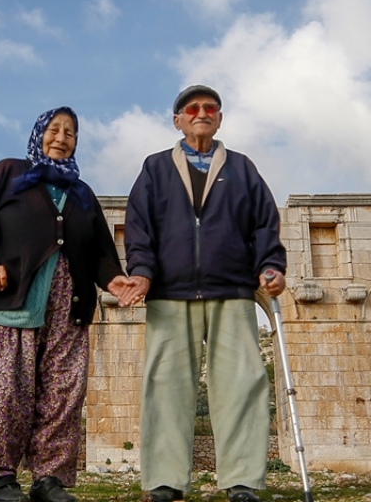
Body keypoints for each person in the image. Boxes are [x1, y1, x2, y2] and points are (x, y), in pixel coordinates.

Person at [119, 85, 287, 502]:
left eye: (209, 107)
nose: (201, 113)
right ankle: (165, 480)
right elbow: (139, 226)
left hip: (231, 288)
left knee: (242, 383)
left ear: (220, 118)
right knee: (166, 385)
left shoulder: (243, 168)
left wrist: (271, 265)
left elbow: (264, 223)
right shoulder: (155, 168)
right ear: (177, 119)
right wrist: (141, 272)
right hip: (170, 292)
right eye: (191, 108)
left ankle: (242, 480)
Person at [0, 106, 133, 502]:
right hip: (12, 299)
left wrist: (114, 278)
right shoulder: (7, 174)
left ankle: (49, 479)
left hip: (69, 305)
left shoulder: (82, 193)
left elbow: (100, 252)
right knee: (2, 389)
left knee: (63, 392)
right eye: (54, 130)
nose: (61, 138)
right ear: (39, 133)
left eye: (70, 133)